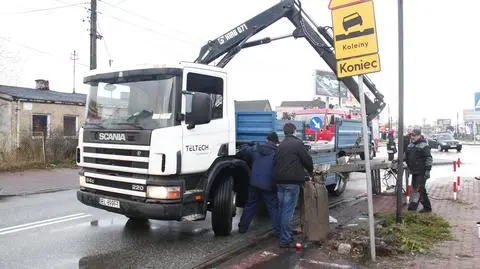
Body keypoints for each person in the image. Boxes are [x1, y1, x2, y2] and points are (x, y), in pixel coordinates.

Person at [273, 123, 313, 248]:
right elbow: (307, 160)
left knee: (282, 209)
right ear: (294, 131)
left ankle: (282, 233)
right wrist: (310, 171)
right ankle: (285, 239)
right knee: (288, 211)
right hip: (292, 182)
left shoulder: (280, 145)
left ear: (284, 132)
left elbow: (275, 161)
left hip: (279, 181)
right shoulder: (297, 144)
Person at [236, 132, 280, 234]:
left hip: (254, 184)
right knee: (273, 208)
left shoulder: (255, 149)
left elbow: (244, 151)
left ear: (267, 139)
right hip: (269, 185)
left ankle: (242, 228)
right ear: (276, 142)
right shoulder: (277, 153)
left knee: (250, 205)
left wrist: (246, 145)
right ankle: (278, 231)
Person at [405, 129, 433, 213]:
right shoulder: (410, 145)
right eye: (411, 135)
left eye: (414, 135)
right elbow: (406, 156)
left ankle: (414, 207)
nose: (412, 137)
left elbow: (429, 158)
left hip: (422, 171)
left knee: (418, 189)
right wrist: (398, 160)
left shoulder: (424, 146)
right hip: (414, 171)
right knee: (418, 189)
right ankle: (426, 207)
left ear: (419, 136)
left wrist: (427, 170)